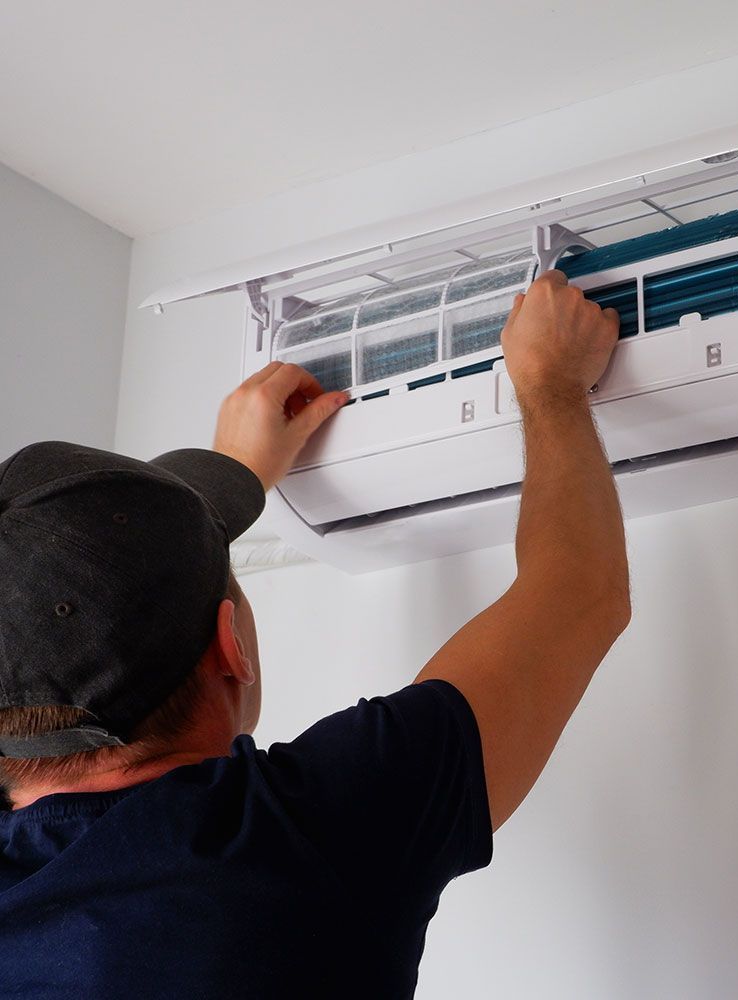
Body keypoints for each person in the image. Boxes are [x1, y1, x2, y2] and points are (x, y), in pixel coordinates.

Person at [0, 271, 630, 998]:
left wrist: (228, 480)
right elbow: (578, 592)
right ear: (231, 647)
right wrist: (551, 383)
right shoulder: (309, 835)